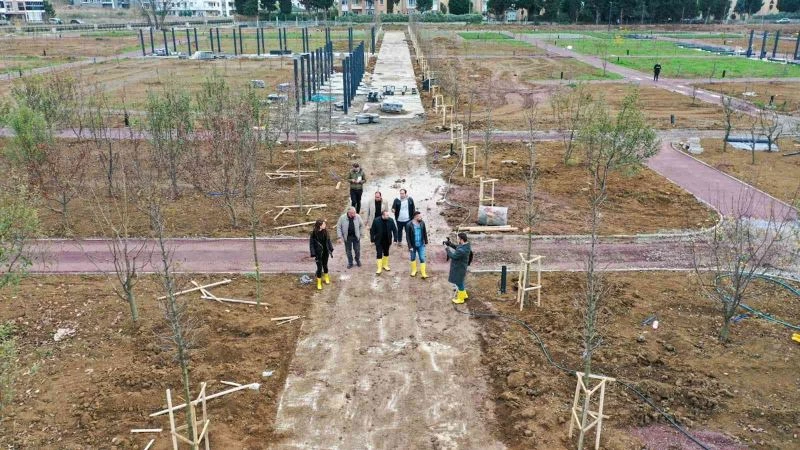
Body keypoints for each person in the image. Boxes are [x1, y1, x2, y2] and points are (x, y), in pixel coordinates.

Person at [445, 232, 472, 304]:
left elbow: (453, 256)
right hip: (461, 267)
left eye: (458, 238)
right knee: (461, 281)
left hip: (459, 268)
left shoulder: (462, 251)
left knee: (459, 283)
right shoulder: (466, 245)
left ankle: (460, 299)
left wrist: (447, 248)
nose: (457, 240)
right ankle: (464, 295)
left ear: (461, 240)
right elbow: (457, 247)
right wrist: (450, 244)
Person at [309, 219, 334, 290]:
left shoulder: (325, 231)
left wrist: (331, 248)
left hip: (326, 252)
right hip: (318, 253)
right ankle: (319, 282)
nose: (325, 225)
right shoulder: (313, 233)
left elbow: (328, 241)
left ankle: (326, 277)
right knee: (319, 268)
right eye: (324, 224)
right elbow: (311, 244)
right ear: (320, 225)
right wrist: (313, 253)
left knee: (325, 266)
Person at [370, 209, 397, 275]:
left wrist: (395, 239)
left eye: (388, 215)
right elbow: (372, 230)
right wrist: (372, 240)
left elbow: (394, 230)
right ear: (383, 215)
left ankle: (385, 265)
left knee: (386, 253)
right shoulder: (376, 220)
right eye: (387, 215)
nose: (388, 216)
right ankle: (379, 268)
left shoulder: (391, 220)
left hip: (387, 240)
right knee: (379, 253)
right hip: (379, 240)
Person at [405, 211, 428, 279]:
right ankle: (414, 271)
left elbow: (424, 232)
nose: (421, 217)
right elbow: (407, 236)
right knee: (413, 258)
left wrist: (426, 242)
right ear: (415, 217)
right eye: (420, 216)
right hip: (413, 245)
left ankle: (423, 273)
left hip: (421, 244)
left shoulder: (422, 223)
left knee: (422, 258)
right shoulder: (409, 224)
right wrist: (410, 246)